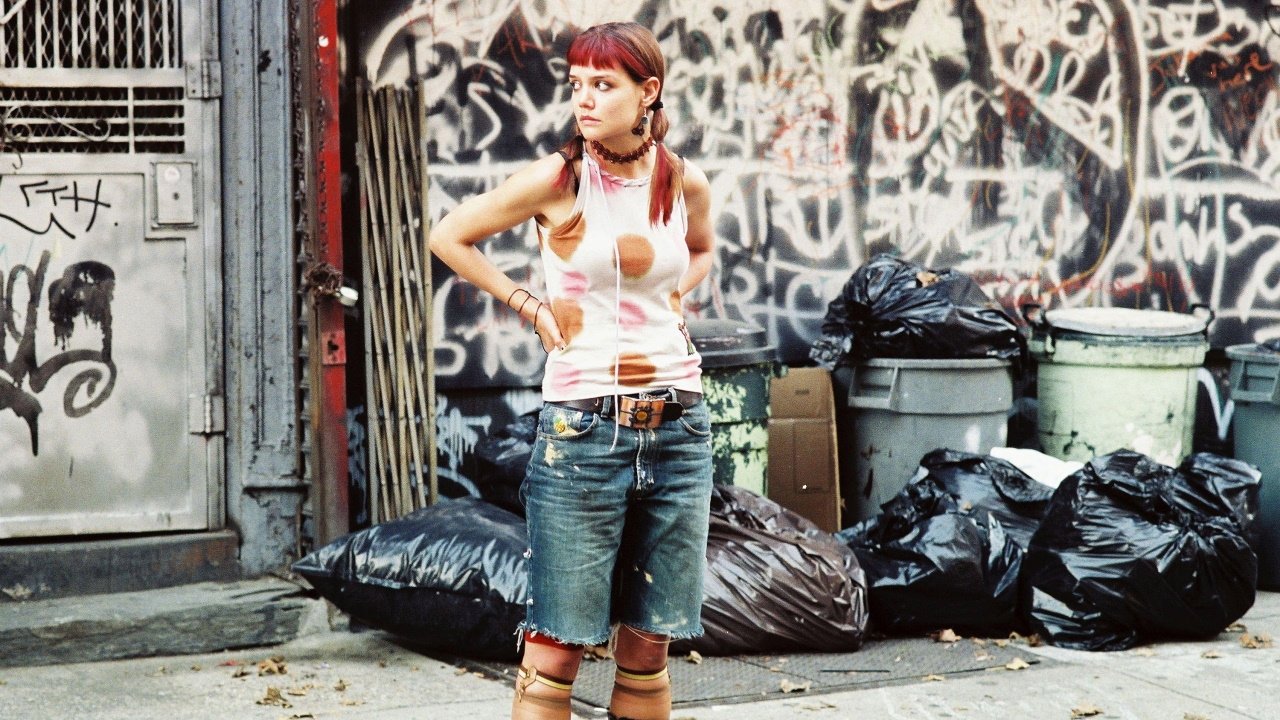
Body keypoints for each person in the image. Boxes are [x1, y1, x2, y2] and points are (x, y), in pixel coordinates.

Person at [428, 21, 715, 720]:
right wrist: (528, 304)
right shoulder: (560, 178)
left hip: (680, 429)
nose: (583, 99)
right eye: (576, 84)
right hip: (583, 434)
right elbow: (449, 235)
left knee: (648, 643)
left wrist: (673, 301)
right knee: (556, 647)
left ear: (647, 92)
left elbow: (702, 248)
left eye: (603, 85)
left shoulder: (682, 180)